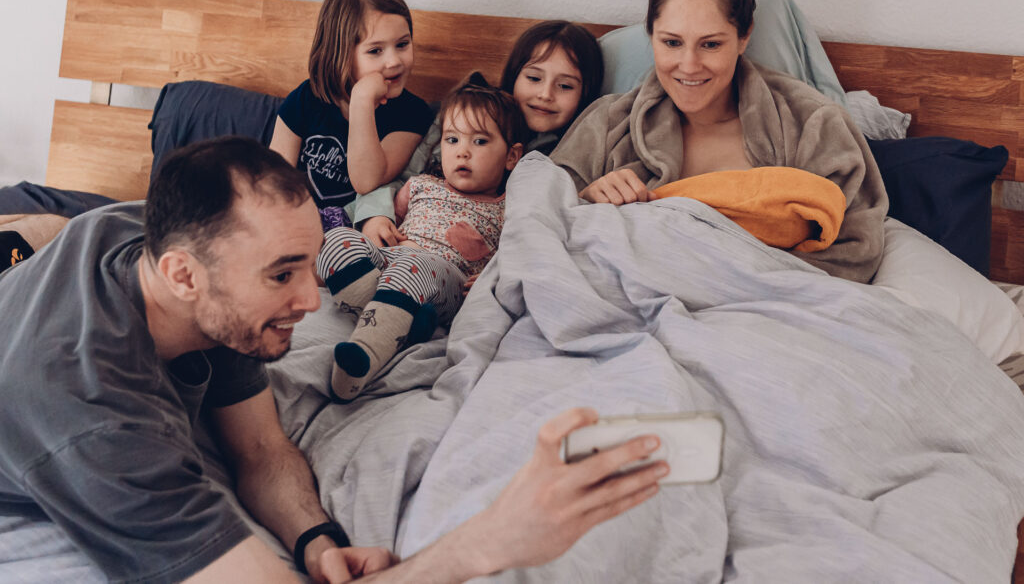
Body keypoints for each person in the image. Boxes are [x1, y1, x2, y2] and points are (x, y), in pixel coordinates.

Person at [0, 136, 667, 583]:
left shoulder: (145, 241)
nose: (311, 295)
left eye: (308, 262)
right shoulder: (93, 419)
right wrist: (493, 539)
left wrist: (315, 540)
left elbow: (259, 448)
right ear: (182, 275)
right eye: (282, 273)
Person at [550, 0, 888, 283]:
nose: (689, 65)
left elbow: (856, 252)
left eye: (710, 44)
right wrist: (587, 201)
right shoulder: (605, 124)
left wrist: (733, 283)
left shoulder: (814, 125)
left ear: (744, 36)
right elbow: (539, 224)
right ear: (651, 34)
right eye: (672, 43)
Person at [317, 73, 527, 401]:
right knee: (338, 241)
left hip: (447, 280)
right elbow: (378, 213)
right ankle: (405, 322)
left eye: (480, 141)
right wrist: (377, 221)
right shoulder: (421, 185)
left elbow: (521, 251)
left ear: (512, 156)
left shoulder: (509, 207)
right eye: (452, 139)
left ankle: (361, 361)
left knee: (411, 266)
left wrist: (494, 275)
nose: (463, 153)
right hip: (395, 258)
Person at [354, 20, 604, 247]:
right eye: (534, 78)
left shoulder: (572, 155)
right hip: (410, 240)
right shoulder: (466, 116)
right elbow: (402, 176)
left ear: (585, 94)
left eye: (565, 86)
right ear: (514, 76)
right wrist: (375, 216)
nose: (546, 94)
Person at [269, 0, 435, 232]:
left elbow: (366, 181)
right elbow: (273, 178)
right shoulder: (307, 97)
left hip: (349, 235)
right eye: (375, 51)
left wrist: (361, 102)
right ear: (340, 54)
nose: (394, 61)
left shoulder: (412, 114)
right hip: (295, 223)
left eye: (402, 44)